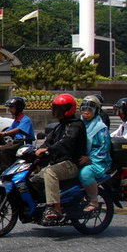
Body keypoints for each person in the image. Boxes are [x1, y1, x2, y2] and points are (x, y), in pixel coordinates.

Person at [31, 93, 87, 221]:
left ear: (69, 109)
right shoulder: (60, 126)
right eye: (55, 108)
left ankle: (55, 208)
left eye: (60, 109)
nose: (57, 112)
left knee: (50, 172)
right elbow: (49, 141)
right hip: (59, 163)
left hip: (71, 164)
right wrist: (38, 149)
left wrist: (49, 149)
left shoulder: (76, 125)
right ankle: (40, 206)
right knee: (34, 178)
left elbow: (67, 142)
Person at [78, 96, 112, 212]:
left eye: (90, 110)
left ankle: (93, 201)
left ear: (96, 111)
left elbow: (104, 148)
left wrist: (89, 158)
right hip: (81, 158)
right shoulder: (79, 124)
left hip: (97, 160)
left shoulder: (100, 128)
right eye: (84, 109)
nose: (86, 112)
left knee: (85, 174)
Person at [0, 96, 35, 170]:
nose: (10, 110)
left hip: (24, 143)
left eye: (11, 107)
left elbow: (18, 129)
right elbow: (11, 128)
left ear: (18, 108)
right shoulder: (17, 119)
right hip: (16, 142)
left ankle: (7, 170)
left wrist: (5, 134)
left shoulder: (25, 119)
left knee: (4, 151)